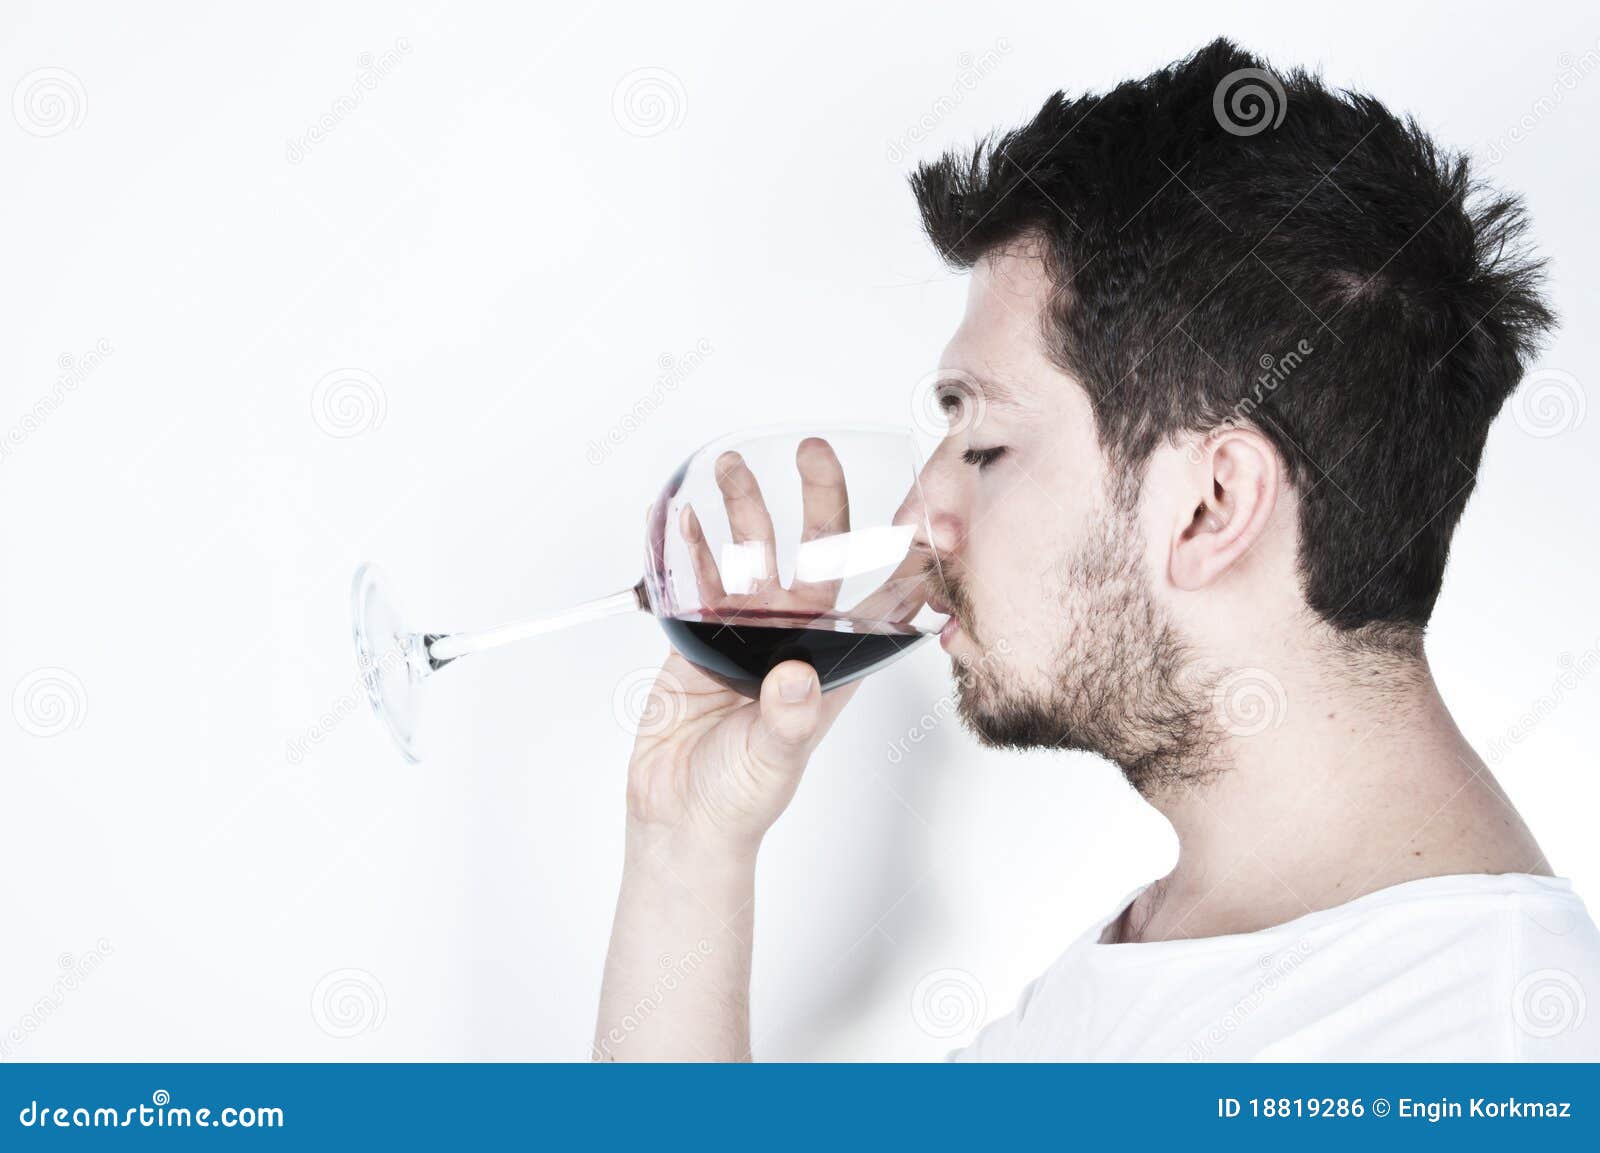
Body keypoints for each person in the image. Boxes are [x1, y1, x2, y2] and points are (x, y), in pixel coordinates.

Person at [591, 39, 1600, 1060]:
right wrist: (688, 846)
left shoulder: (1474, 1053)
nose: (917, 512)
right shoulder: (1183, 954)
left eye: (984, 443)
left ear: (1211, 505)